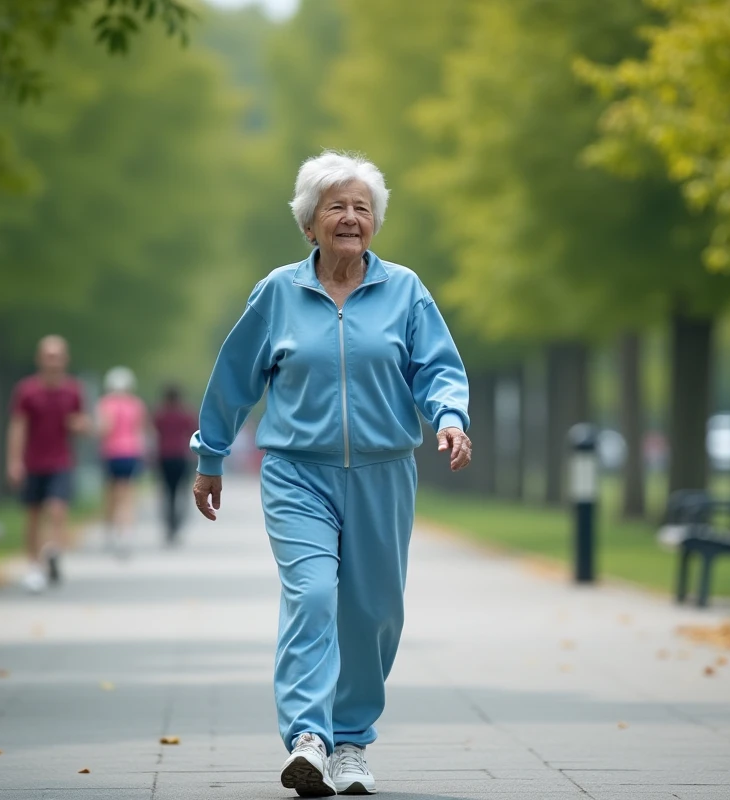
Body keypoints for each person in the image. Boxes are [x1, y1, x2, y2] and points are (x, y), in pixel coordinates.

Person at [190, 151, 472, 797]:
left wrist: (449, 418)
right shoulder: (277, 293)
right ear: (308, 224)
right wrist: (211, 458)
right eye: (336, 207)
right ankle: (309, 739)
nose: (351, 217)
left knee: (373, 613)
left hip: (383, 472)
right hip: (297, 472)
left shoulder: (405, 289)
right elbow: (234, 378)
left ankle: (350, 743)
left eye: (362, 207)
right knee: (313, 595)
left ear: (375, 222)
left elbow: (436, 369)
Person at [6, 335, 90, 593]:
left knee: (56, 509)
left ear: (65, 359)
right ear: (39, 359)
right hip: (33, 462)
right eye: (48, 355)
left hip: (61, 461)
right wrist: (13, 461)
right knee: (32, 516)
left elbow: (84, 423)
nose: (53, 361)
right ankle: (34, 567)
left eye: (57, 356)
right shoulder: (27, 390)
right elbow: (18, 426)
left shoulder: (73, 389)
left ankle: (52, 551)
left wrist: (80, 425)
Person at [96, 366, 147, 556]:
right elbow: (139, 429)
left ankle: (110, 531)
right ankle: (126, 534)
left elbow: (104, 428)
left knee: (111, 493)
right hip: (131, 452)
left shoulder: (105, 403)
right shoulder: (136, 404)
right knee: (128, 493)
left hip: (110, 453)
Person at [151, 385, 198, 544]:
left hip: (164, 456)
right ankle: (178, 522)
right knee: (182, 491)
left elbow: (154, 430)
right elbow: (193, 431)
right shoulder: (186, 414)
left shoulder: (160, 414)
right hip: (181, 455)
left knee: (167, 492)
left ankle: (169, 524)